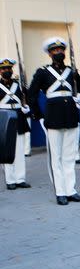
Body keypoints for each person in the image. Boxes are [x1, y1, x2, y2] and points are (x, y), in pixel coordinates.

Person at [28, 37, 80, 205]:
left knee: (69, 157)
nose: (59, 52)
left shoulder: (72, 71)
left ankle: (71, 190)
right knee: (56, 156)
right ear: (49, 53)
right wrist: (38, 116)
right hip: (53, 117)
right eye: (55, 50)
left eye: (61, 50)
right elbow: (31, 95)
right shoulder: (42, 72)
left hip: (71, 116)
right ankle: (60, 192)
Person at [0, 58, 31, 189]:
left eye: (9, 68)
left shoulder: (19, 84)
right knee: (7, 152)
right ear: (0, 71)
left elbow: (27, 99)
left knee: (19, 150)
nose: (7, 71)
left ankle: (20, 178)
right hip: (5, 119)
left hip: (18, 117)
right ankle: (10, 180)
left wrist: (26, 107)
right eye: (4, 69)